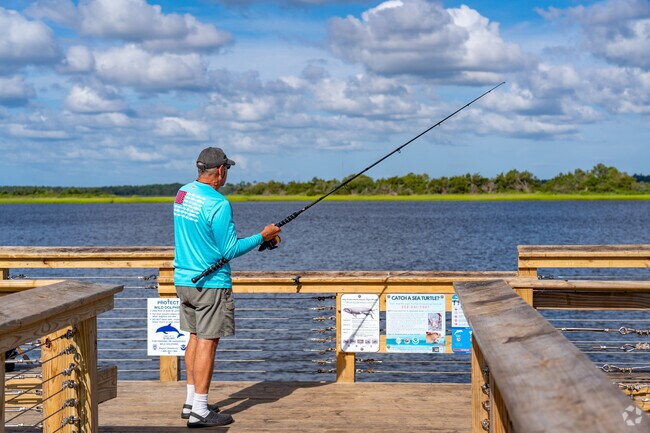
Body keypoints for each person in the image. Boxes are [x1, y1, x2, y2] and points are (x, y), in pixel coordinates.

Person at [173, 147, 280, 428]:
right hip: (210, 284)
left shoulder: (182, 194)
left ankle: (190, 402)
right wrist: (262, 236)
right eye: (227, 170)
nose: (226, 175)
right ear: (220, 170)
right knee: (208, 342)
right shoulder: (219, 204)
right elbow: (230, 249)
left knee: (195, 338)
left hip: (184, 280)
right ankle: (200, 411)